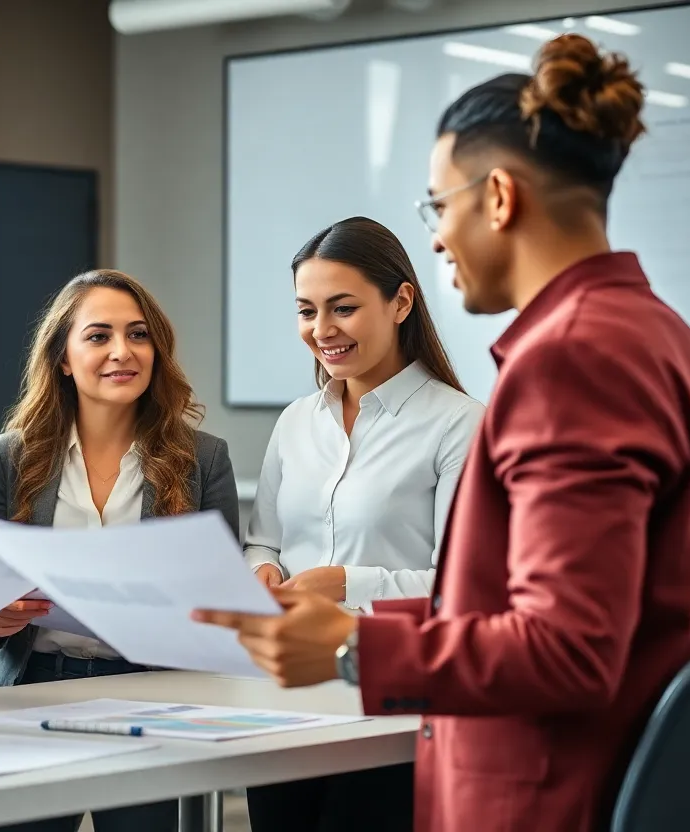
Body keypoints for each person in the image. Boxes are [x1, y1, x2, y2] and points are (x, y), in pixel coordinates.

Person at [195, 33, 690, 832]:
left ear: (498, 197)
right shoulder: (658, 334)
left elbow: (567, 647)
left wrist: (348, 650)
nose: (435, 238)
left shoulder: (572, 361)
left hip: (548, 795)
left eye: (439, 206)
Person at [0, 269, 238, 832]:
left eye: (139, 335)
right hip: (33, 695)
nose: (123, 351)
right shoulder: (12, 456)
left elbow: (225, 615)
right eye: (98, 336)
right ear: (64, 357)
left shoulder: (204, 460)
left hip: (155, 699)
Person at [242, 217, 483, 832]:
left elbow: (461, 592)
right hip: (283, 701)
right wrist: (263, 570)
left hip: (390, 706)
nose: (322, 331)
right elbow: (263, 539)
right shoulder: (296, 421)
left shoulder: (459, 425)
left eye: (342, 308)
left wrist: (346, 583)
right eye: (306, 311)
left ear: (401, 301)